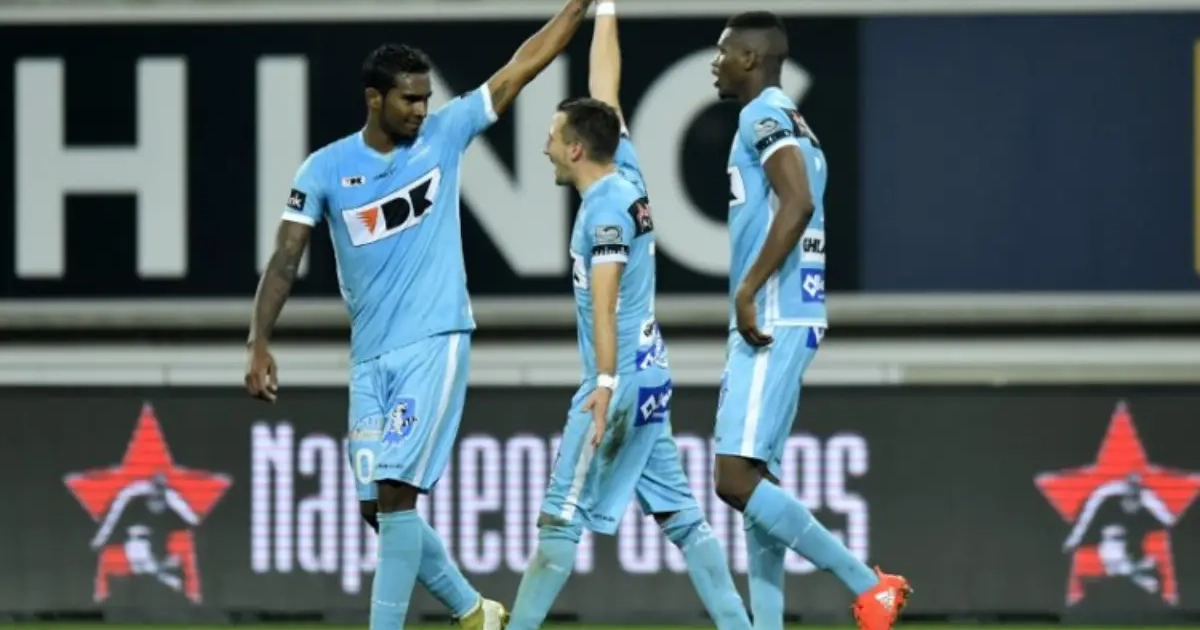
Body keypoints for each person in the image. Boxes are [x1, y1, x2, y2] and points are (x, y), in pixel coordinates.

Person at [244, 2, 595, 629]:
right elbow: (286, 256)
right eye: (408, 99)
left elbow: (520, 68)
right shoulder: (325, 169)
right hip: (369, 357)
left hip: (434, 341)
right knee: (375, 508)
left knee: (397, 495)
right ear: (374, 99)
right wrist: (259, 341)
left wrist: (577, 8)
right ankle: (475, 612)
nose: (420, 109)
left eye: (425, 98)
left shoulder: (444, 134)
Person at [506, 5, 753, 630]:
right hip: (650, 375)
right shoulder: (627, 170)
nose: (545, 146)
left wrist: (603, 384)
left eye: (553, 137)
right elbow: (606, 86)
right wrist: (607, 10)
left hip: (618, 383)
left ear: (576, 149)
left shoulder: (603, 213)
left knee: (559, 517)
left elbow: (605, 300)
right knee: (682, 518)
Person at [710, 10, 912, 630]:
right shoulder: (796, 121)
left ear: (750, 58)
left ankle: (868, 585)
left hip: (771, 314)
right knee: (756, 483)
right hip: (795, 312)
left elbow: (797, 202)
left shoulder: (761, 115)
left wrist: (748, 289)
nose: (715, 63)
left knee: (733, 480)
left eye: (723, 51)